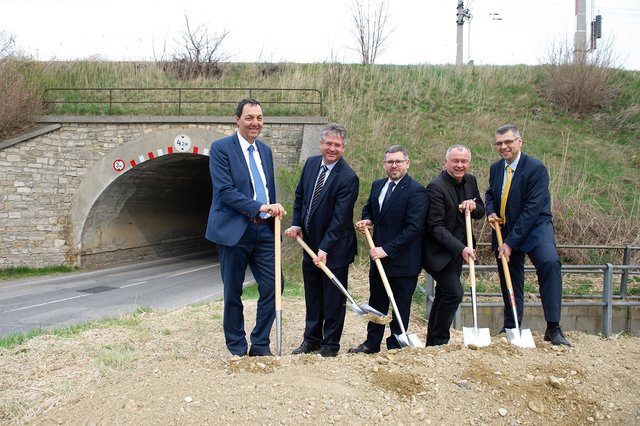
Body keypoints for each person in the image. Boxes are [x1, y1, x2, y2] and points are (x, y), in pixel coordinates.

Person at [205, 98, 287, 357]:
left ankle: (260, 344)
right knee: (233, 291)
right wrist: (261, 207)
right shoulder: (221, 149)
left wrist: (273, 211)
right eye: (250, 117)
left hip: (264, 231)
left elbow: (267, 188)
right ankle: (237, 347)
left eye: (259, 118)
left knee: (275, 286)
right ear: (237, 119)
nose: (255, 123)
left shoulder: (265, 151)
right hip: (234, 230)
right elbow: (225, 191)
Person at [485, 124, 571, 346]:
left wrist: (511, 243)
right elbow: (490, 193)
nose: (504, 147)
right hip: (504, 229)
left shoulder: (536, 168)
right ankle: (511, 325)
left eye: (508, 142)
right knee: (510, 277)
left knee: (550, 263)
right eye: (499, 143)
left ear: (519, 142)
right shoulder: (496, 168)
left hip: (535, 229)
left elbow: (532, 209)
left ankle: (553, 327)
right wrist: (491, 210)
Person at [284, 123, 359, 357]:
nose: (332, 149)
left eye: (337, 145)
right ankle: (311, 340)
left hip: (334, 249)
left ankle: (330, 345)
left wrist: (325, 248)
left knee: (333, 299)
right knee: (313, 296)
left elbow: (340, 219)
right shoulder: (311, 164)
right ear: (321, 143)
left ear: (344, 147)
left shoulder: (348, 177)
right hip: (309, 245)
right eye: (329, 143)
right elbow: (300, 197)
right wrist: (297, 223)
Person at [349, 145, 428, 354]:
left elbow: (413, 228)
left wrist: (388, 250)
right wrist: (367, 218)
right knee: (377, 303)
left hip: (403, 261)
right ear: (384, 164)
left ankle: (395, 345)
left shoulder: (416, 190)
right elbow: (370, 209)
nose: (394, 165)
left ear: (407, 163)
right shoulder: (378, 186)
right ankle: (371, 343)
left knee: (400, 305)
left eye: (398, 161)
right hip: (379, 259)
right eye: (390, 162)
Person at [422, 145, 485, 346]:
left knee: (443, 294)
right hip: (438, 253)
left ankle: (432, 341)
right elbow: (435, 227)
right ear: (446, 162)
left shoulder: (471, 181)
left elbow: (481, 210)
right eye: (455, 161)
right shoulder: (435, 187)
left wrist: (474, 206)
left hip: (458, 252)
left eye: (464, 161)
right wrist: (461, 248)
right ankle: (441, 339)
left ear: (469, 163)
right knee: (454, 293)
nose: (460, 165)